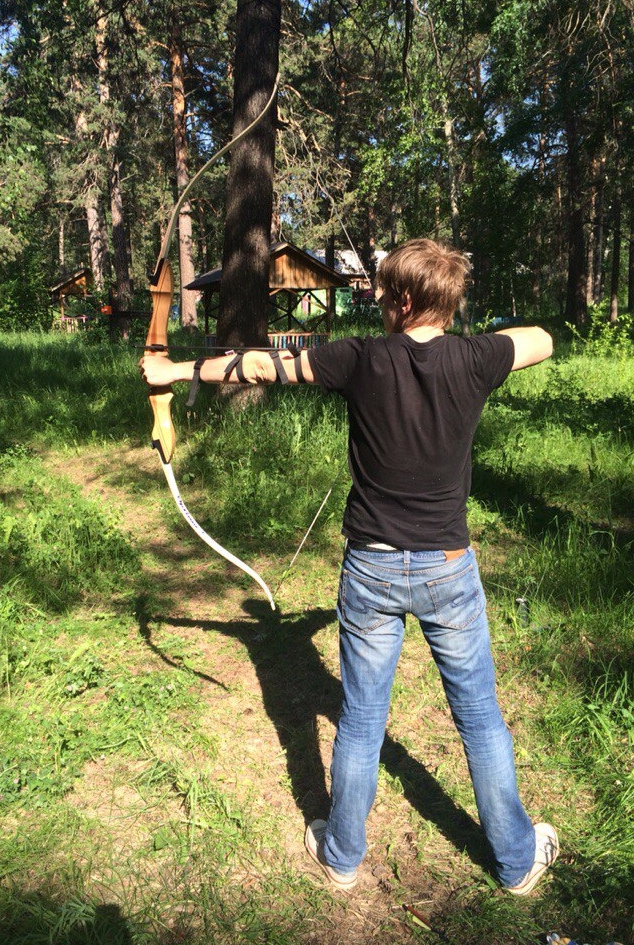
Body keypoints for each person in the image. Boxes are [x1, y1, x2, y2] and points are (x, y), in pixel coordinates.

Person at [140, 237, 558, 896]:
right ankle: (514, 860)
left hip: (372, 569)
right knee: (480, 718)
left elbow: (260, 367)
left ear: (405, 299)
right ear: (451, 302)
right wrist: (468, 329)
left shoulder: (359, 359)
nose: (378, 301)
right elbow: (541, 340)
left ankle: (341, 856)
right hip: (448, 569)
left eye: (387, 292)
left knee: (361, 718)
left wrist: (175, 373)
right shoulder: (481, 356)